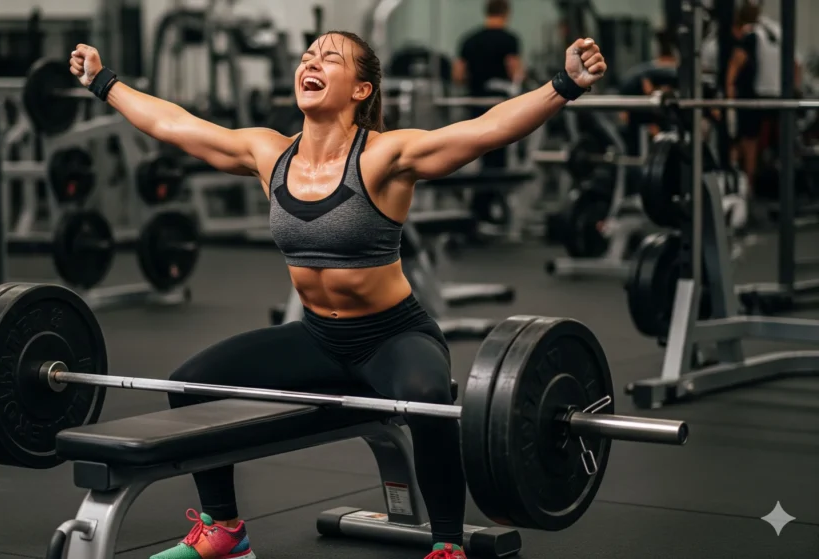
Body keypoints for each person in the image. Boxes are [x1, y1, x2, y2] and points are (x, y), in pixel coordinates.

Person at [70, 29, 606, 559]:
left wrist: (564, 84)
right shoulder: (269, 153)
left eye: (330, 58)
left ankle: (446, 543)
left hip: (392, 337)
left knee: (428, 401)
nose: (312, 62)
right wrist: (103, 82)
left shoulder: (384, 157)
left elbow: (484, 131)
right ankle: (224, 531)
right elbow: (176, 126)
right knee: (188, 385)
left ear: (361, 90)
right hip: (319, 337)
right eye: (308, 56)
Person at [725, 2, 802, 200]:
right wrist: (793, 89)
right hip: (779, 95)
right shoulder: (778, 30)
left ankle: (748, 189)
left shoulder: (751, 33)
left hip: (757, 95)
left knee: (748, 141)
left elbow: (735, 66)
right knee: (781, 143)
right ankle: (787, 190)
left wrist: (729, 97)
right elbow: (796, 66)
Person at [452, 0, 524, 169]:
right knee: (499, 148)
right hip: (500, 105)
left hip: (475, 102)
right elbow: (515, 72)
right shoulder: (509, 40)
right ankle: (496, 190)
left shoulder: (469, 40)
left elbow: (458, 75)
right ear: (506, 13)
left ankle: (480, 191)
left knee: (477, 148)